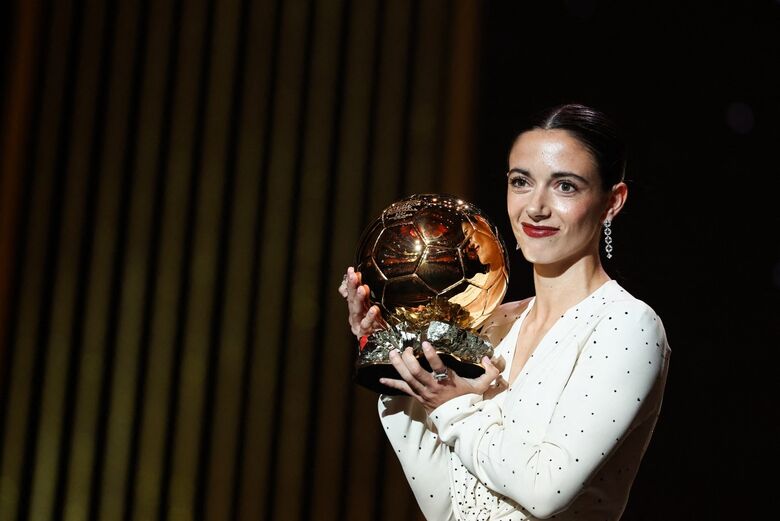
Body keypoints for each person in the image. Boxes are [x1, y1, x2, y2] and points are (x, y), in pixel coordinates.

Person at [338, 103, 671, 520]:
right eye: (521, 182)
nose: (536, 207)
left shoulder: (626, 325)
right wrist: (388, 344)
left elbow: (545, 489)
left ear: (612, 202)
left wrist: (454, 407)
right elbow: (447, 506)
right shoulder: (493, 327)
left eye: (565, 186)